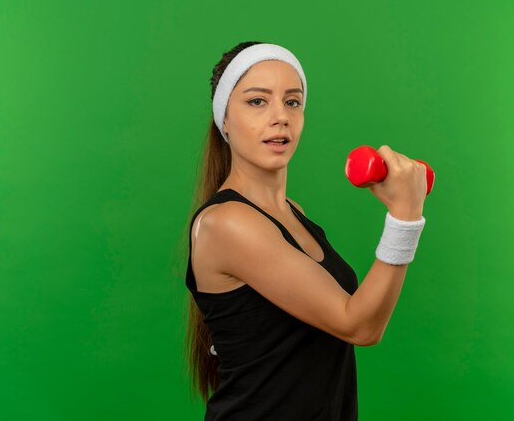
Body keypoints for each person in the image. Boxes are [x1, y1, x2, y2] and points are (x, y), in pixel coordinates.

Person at [182, 41, 428, 420]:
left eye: (292, 102)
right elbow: (359, 325)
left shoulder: (293, 213)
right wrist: (405, 216)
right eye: (257, 101)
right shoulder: (227, 223)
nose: (280, 117)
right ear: (224, 119)